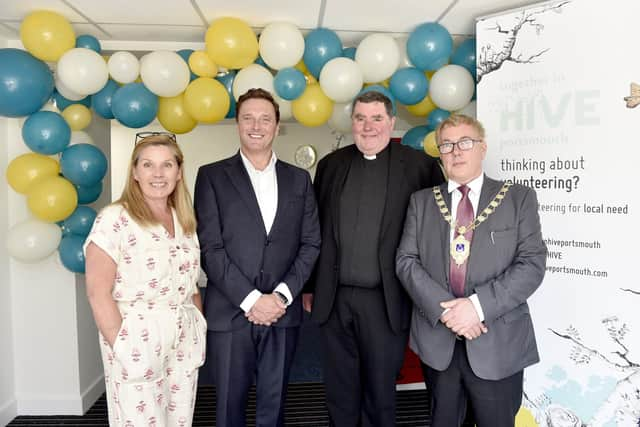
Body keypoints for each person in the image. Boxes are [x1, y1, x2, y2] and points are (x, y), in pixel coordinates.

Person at [303, 90, 445, 426]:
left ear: (391, 122)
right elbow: (315, 229)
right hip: (334, 298)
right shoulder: (330, 166)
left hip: (387, 299)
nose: (368, 127)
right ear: (352, 122)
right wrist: (310, 285)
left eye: (377, 118)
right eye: (360, 118)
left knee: (380, 390)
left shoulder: (420, 166)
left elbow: (437, 231)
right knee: (339, 388)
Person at [395, 114, 547, 427]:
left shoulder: (518, 199)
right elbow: (406, 261)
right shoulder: (422, 202)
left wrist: (475, 308)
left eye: (465, 142)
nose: (456, 151)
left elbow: (532, 264)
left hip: (497, 342)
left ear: (483, 148)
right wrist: (451, 312)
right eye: (447, 145)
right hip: (439, 343)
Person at [194, 88, 321, 427]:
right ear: (237, 124)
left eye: (265, 119)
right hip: (231, 312)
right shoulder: (212, 176)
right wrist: (251, 300)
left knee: (273, 405)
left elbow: (310, 244)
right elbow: (211, 248)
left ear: (277, 126)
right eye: (248, 118)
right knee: (227, 409)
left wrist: (279, 297)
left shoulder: (300, 179)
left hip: (283, 312)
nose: (256, 126)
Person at [84, 132, 206, 426]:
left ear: (178, 173)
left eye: (167, 165)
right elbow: (97, 292)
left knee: (179, 419)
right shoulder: (114, 218)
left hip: (184, 332)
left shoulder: (185, 220)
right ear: (135, 172)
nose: (158, 174)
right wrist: (122, 345)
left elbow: (191, 285)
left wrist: (198, 326)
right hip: (137, 333)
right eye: (148, 165)